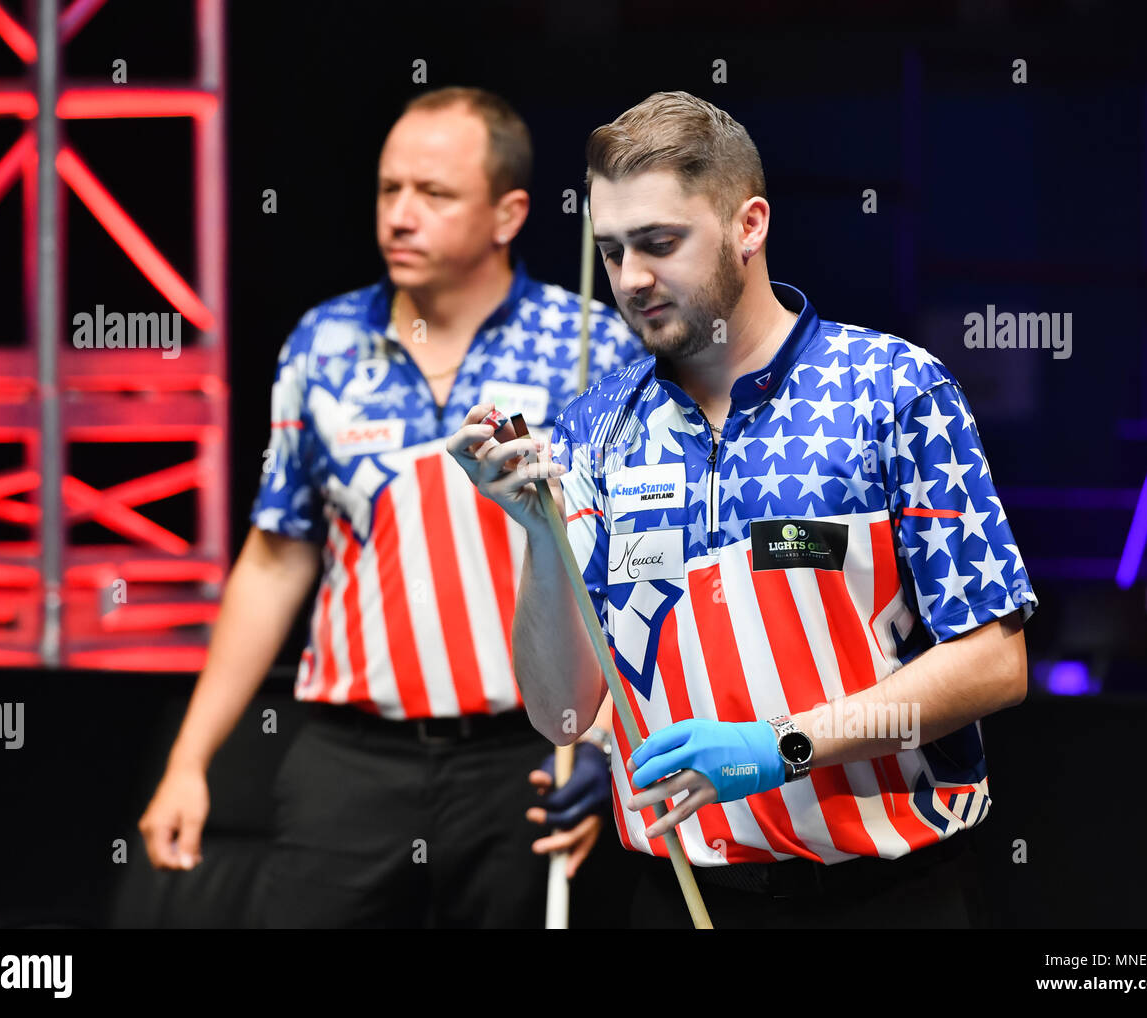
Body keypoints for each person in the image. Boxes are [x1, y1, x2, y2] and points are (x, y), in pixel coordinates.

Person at [447, 91, 1038, 929]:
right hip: (680, 898)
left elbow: (994, 665)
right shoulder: (595, 429)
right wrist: (539, 536)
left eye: (659, 243)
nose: (632, 280)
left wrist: (784, 747)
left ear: (748, 224)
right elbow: (566, 714)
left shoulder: (892, 390)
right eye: (612, 252)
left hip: (887, 894)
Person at [138, 86, 643, 928]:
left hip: (524, 762)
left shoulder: (588, 343)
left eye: (434, 194)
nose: (400, 216)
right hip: (349, 759)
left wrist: (602, 751)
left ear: (509, 213)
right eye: (388, 189)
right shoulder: (322, 342)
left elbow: (631, 561)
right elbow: (274, 557)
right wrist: (189, 760)